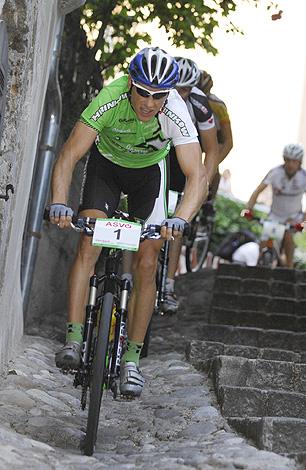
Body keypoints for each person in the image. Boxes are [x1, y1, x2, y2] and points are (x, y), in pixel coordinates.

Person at [49, 47, 208, 398]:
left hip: (149, 176)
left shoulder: (176, 113)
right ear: (130, 85)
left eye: (160, 96)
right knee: (89, 241)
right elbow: (69, 155)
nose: (150, 103)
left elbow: (197, 176)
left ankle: (132, 361)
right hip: (106, 168)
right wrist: (59, 203)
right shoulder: (109, 97)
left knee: (148, 261)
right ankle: (74, 338)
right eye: (143, 92)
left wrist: (180, 218)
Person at [162, 57, 219, 314]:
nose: (178, 93)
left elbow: (212, 150)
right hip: (159, 154)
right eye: (175, 87)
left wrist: (201, 184)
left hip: (185, 156)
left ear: (193, 88)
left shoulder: (200, 105)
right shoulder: (157, 94)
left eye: (184, 89)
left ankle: (168, 285)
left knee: (176, 225)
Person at [246, 143, 306, 268]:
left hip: (294, 216)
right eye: (288, 160)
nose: (290, 164)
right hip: (275, 215)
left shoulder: (304, 177)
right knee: (264, 241)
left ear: (299, 162)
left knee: (289, 238)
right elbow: (257, 191)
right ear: (284, 159)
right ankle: (259, 266)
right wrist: (248, 209)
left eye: (294, 161)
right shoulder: (275, 172)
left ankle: (289, 270)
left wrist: (303, 219)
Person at [198, 70, 233, 199]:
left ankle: (209, 202)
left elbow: (228, 142)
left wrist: (211, 166)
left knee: (212, 166)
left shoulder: (218, 106)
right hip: (192, 137)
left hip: (213, 139)